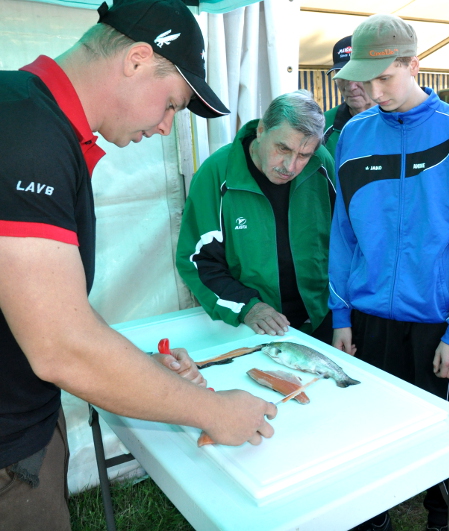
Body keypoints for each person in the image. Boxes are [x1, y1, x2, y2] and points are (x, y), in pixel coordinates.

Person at [0, 1, 276, 529]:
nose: (167, 127)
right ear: (136, 60)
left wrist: (144, 370)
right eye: (171, 104)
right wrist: (214, 410)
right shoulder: (28, 135)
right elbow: (61, 347)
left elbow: (52, 307)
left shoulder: (33, 118)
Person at [327, 14, 449, 531]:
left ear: (413, 65)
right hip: (367, 315)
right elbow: (343, 231)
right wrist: (340, 314)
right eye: (365, 80)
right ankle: (374, 514)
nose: (375, 93)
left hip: (432, 319)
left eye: (385, 78)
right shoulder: (353, 135)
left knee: (434, 429)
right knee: (370, 426)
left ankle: (440, 514)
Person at [176, 90, 336, 343]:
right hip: (250, 327)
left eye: (303, 155)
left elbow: (345, 241)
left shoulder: (322, 164)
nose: (290, 166)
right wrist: (247, 306)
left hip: (323, 319)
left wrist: (342, 314)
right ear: (261, 131)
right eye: (283, 148)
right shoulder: (216, 172)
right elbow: (197, 259)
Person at [322, 35, 375, 157]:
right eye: (342, 74)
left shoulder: (401, 119)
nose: (351, 86)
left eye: (358, 73)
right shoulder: (321, 127)